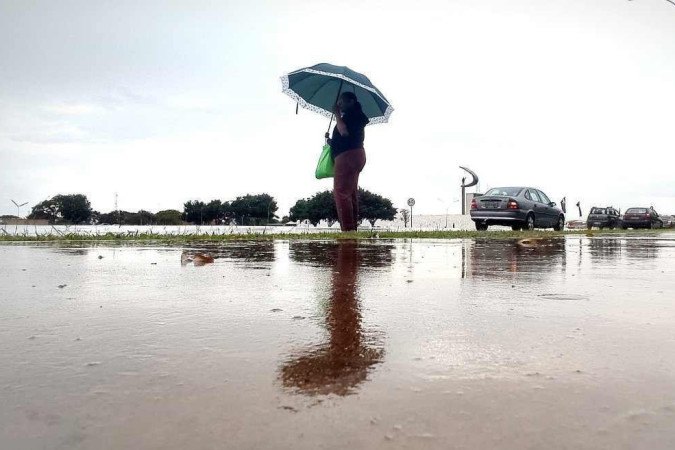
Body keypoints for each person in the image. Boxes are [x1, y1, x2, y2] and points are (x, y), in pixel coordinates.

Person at [328, 92, 369, 232]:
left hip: (347, 156)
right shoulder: (356, 115)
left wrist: (337, 115)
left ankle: (347, 230)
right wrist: (329, 141)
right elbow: (344, 136)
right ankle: (352, 228)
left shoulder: (353, 115)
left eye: (341, 103)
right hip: (355, 154)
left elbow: (344, 132)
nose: (339, 105)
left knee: (341, 192)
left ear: (351, 101)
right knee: (350, 193)